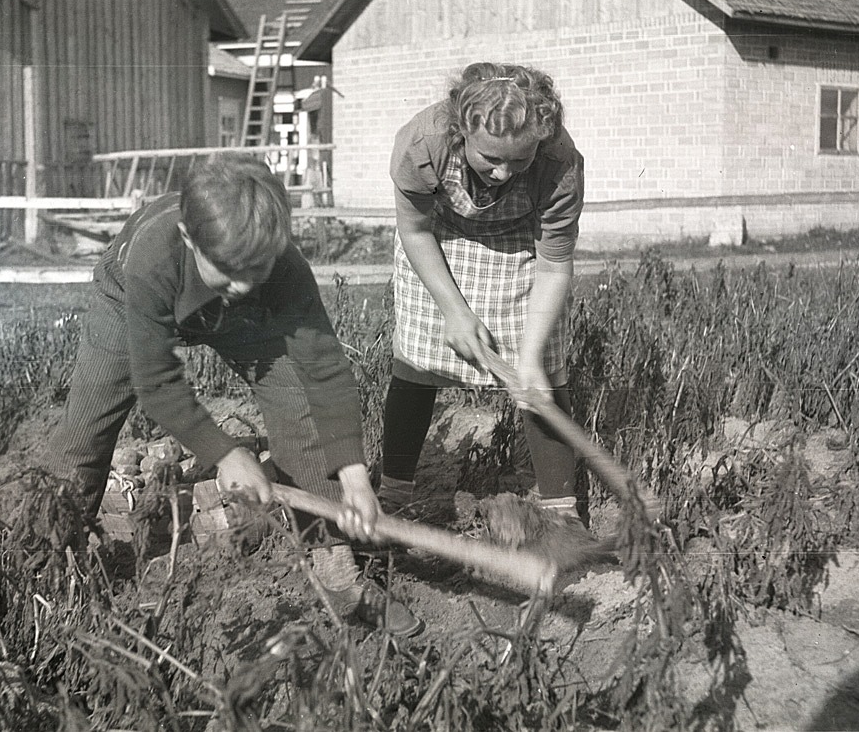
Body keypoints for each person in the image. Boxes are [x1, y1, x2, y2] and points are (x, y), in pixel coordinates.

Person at [45, 153, 423, 637]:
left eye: (257, 269)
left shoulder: (281, 271)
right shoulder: (153, 256)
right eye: (229, 271)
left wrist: (352, 477)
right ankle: (46, 563)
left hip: (242, 324)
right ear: (188, 238)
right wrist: (225, 454)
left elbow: (324, 371)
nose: (243, 285)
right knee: (84, 432)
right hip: (130, 305)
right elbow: (157, 382)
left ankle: (337, 571)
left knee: (298, 407)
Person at [377, 62, 585, 525]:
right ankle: (394, 494)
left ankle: (561, 513)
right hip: (438, 238)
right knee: (417, 360)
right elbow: (413, 229)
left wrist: (528, 360)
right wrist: (454, 312)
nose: (501, 172)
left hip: (518, 243)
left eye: (518, 160)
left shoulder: (559, 164)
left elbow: (553, 264)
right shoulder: (422, 143)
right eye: (489, 157)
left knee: (544, 372)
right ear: (462, 132)